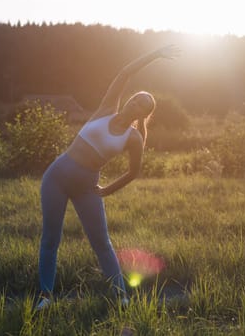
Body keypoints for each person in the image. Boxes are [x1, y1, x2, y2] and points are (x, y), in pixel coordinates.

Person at [36, 44, 180, 310]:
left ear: (143, 114)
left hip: (88, 187)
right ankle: (45, 296)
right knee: (50, 239)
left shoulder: (134, 138)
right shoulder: (106, 109)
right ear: (130, 99)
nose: (135, 103)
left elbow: (133, 172)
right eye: (136, 98)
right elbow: (125, 73)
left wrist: (107, 190)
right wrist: (155, 53)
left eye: (142, 105)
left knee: (101, 242)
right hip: (57, 176)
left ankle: (121, 296)